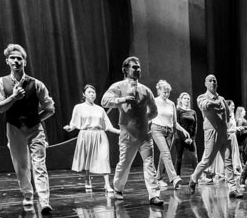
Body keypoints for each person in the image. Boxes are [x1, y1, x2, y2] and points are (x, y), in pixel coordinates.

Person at [0, 43, 56, 213]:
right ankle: (27, 194)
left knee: (40, 164)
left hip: (35, 129)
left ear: (24, 62)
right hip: (14, 128)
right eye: (13, 58)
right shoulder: (1, 82)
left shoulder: (36, 84)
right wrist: (13, 97)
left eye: (20, 58)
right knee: (21, 165)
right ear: (7, 61)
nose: (16, 61)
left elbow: (50, 108)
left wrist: (35, 119)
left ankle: (44, 201)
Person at [102, 56, 163, 206]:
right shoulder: (118, 86)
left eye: (139, 67)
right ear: (125, 70)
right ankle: (117, 188)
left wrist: (143, 120)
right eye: (134, 67)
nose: (138, 70)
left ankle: (154, 195)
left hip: (144, 134)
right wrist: (121, 100)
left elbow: (154, 111)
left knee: (149, 163)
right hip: (127, 135)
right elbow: (104, 101)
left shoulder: (145, 90)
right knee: (124, 163)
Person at [63, 84, 119, 193]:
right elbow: (73, 123)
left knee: (104, 158)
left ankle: (107, 184)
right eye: (89, 92)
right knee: (87, 158)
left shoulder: (100, 109)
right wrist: (69, 128)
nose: (92, 94)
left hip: (99, 135)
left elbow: (108, 125)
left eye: (93, 92)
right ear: (84, 94)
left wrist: (119, 131)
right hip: (86, 134)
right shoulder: (79, 107)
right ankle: (87, 179)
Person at [188, 74, 236, 194]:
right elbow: (205, 105)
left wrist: (226, 122)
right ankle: (194, 178)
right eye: (210, 81)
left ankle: (233, 188)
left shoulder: (222, 99)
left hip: (224, 134)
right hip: (212, 133)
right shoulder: (202, 97)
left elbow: (228, 114)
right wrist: (215, 105)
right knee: (207, 161)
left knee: (228, 161)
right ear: (205, 83)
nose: (213, 82)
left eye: (214, 81)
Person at [148, 79, 188, 192]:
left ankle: (159, 178)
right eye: (164, 92)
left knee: (164, 155)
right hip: (157, 129)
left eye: (168, 92)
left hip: (170, 131)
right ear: (159, 91)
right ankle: (174, 178)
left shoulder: (171, 104)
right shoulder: (154, 101)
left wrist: (183, 130)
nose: (166, 94)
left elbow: (174, 122)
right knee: (166, 153)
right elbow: (149, 116)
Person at [172, 92, 198, 178]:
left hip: (190, 139)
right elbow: (177, 125)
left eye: (188, 99)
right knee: (179, 158)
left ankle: (197, 176)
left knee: (194, 158)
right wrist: (184, 139)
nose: (186, 100)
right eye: (185, 98)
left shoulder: (193, 112)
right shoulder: (178, 110)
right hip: (180, 138)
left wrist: (192, 138)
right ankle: (177, 177)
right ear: (181, 100)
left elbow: (195, 127)